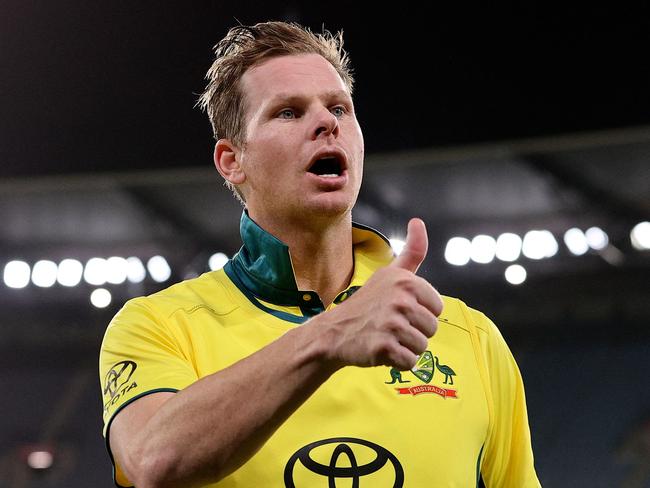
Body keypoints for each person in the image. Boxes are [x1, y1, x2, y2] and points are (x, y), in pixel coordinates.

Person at [99, 21, 540, 487]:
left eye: (339, 108)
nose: (327, 123)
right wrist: (330, 334)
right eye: (288, 112)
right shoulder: (159, 326)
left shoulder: (469, 338)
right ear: (233, 161)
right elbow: (153, 461)